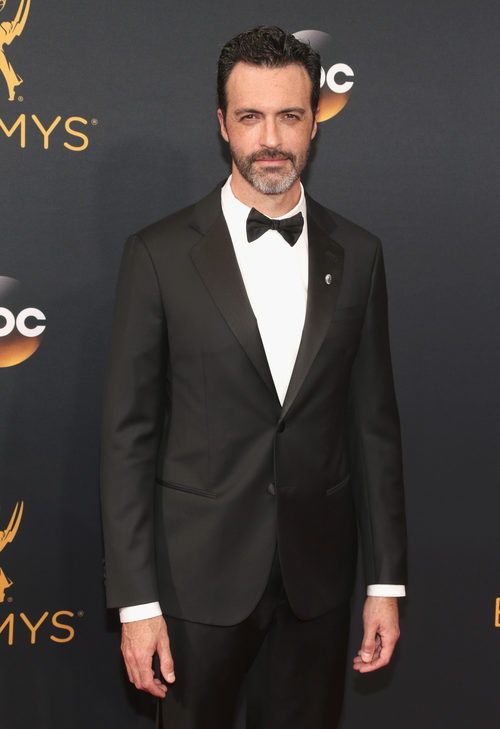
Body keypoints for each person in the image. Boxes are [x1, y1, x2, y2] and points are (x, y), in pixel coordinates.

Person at [100, 25, 407, 729]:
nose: (271, 137)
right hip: (193, 583)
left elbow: (374, 427)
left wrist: (385, 582)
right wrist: (137, 602)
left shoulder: (359, 254)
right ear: (222, 124)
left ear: (314, 123)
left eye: (290, 115)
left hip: (317, 583)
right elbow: (127, 438)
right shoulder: (156, 255)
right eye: (250, 116)